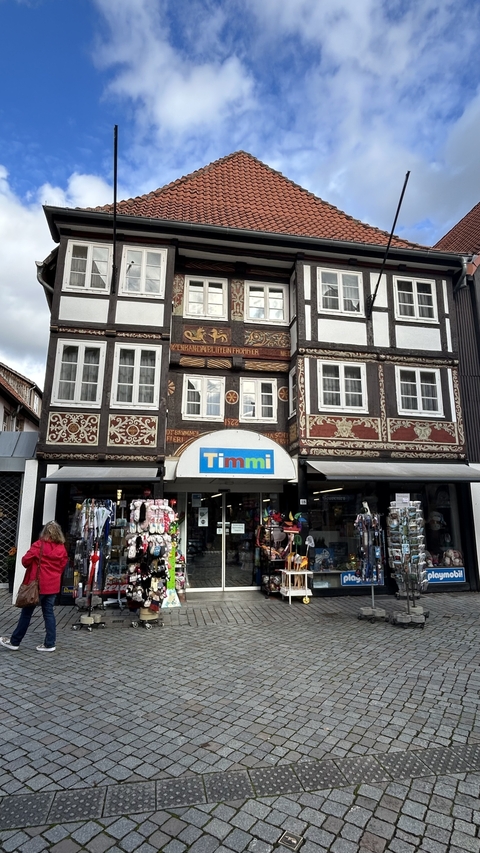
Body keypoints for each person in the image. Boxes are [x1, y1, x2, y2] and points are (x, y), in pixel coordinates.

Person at [0, 521, 68, 653]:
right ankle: (50, 643)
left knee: (26, 614)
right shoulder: (61, 549)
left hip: (37, 586)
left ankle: (15, 641)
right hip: (52, 586)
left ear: (45, 532)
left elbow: (25, 561)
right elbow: (62, 566)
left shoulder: (39, 545)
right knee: (49, 613)